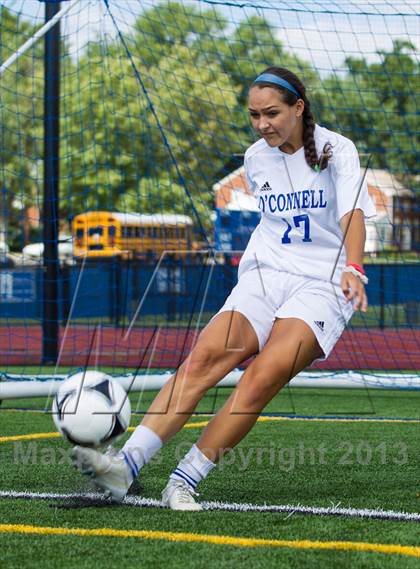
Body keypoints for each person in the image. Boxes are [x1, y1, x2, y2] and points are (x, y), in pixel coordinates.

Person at [72, 66, 376, 510]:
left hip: (324, 285)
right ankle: (125, 468)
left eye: (271, 113)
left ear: (298, 107)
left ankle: (184, 480)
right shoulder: (255, 158)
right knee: (203, 360)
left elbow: (352, 214)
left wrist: (354, 267)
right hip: (265, 273)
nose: (262, 124)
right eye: (253, 115)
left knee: (261, 376)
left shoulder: (337, 150)